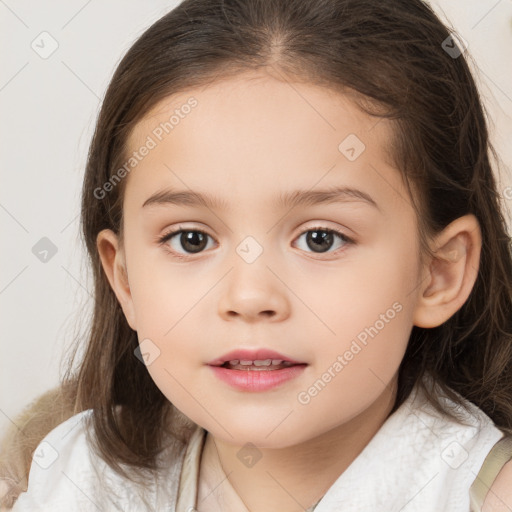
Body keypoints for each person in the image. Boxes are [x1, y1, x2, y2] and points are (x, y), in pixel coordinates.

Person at [2, 0, 512, 510]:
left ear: (438, 274)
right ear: (125, 278)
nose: (249, 297)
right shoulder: (68, 479)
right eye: (191, 239)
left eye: (320, 238)